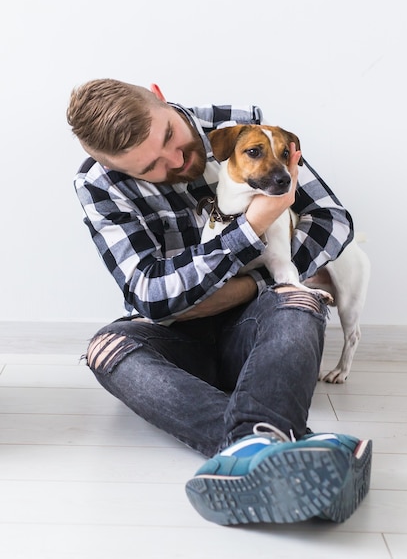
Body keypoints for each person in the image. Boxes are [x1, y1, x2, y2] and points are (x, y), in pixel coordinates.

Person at [67, 79, 372, 526]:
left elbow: (333, 221)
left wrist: (250, 284)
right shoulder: (98, 185)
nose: (175, 160)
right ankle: (272, 446)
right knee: (107, 347)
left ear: (162, 98)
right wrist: (250, 233)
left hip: (257, 326)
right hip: (179, 345)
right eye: (150, 167)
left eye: (169, 135)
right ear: (112, 168)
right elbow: (151, 296)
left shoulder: (246, 130)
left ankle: (256, 452)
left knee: (298, 300)